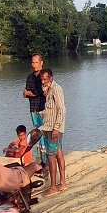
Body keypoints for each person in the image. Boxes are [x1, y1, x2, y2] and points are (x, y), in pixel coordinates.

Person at [38, 68, 66, 196]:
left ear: (51, 78)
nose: (43, 82)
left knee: (50, 155)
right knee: (58, 153)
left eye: (45, 79)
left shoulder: (56, 89)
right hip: (48, 127)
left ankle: (53, 186)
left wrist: (56, 127)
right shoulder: (49, 90)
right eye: (42, 79)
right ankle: (63, 183)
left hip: (54, 129)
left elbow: (62, 109)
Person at [22, 54, 46, 166]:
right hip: (33, 109)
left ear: (41, 63)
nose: (34, 65)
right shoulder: (30, 77)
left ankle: (47, 160)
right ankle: (42, 159)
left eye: (36, 62)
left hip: (44, 109)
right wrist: (29, 93)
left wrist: (29, 93)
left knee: (45, 134)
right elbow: (25, 93)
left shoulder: (44, 76)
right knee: (37, 134)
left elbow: (40, 92)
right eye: (33, 62)